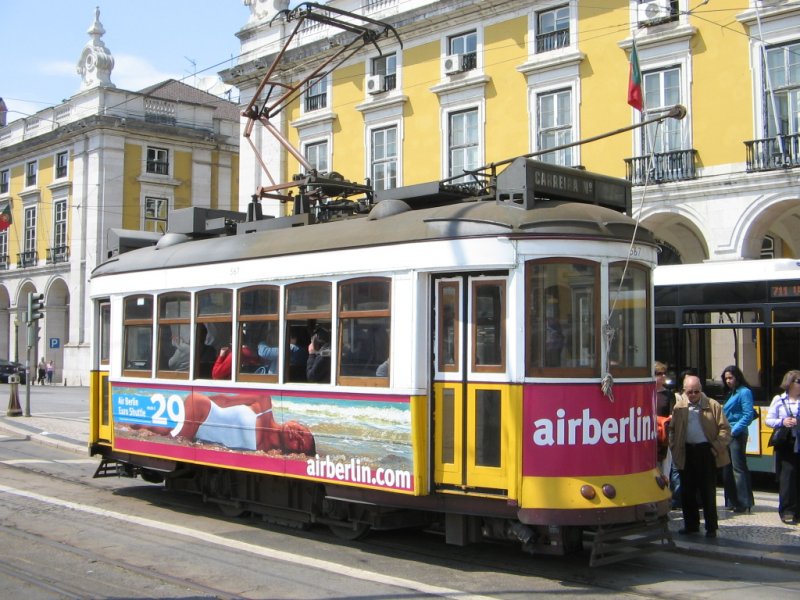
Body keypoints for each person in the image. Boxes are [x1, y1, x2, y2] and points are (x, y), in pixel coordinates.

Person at [135, 391, 316, 456]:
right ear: (294, 421)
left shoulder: (266, 453)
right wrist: (188, 406)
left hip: (199, 431)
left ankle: (129, 423)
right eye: (302, 431)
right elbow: (225, 401)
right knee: (161, 436)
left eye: (299, 443)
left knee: (153, 430)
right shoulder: (264, 403)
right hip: (202, 410)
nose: (296, 435)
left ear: (294, 453)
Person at [669, 374, 731, 538]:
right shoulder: (679, 407)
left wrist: (715, 447)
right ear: (684, 391)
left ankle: (711, 527)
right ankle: (691, 525)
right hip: (686, 450)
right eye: (690, 392)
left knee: (707, 491)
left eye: (696, 392)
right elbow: (672, 429)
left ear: (701, 390)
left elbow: (725, 429)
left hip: (706, 451)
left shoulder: (712, 405)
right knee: (687, 491)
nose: (693, 395)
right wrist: (674, 447)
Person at [766, 370, 800, 524]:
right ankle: (787, 510)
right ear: (790, 383)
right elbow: (769, 420)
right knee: (787, 477)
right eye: (799, 381)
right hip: (787, 442)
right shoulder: (779, 400)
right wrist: (783, 422)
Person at [720, 365, 755, 513]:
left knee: (738, 468)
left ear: (737, 377)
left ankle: (743, 501)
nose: (728, 381)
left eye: (730, 377)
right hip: (727, 432)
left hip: (736, 433)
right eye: (726, 378)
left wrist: (734, 431)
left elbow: (748, 414)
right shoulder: (731, 393)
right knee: (727, 468)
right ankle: (731, 500)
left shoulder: (744, 392)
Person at [654, 361, 674, 477]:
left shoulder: (668, 394)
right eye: (659, 373)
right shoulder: (647, 392)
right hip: (648, 435)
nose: (663, 376)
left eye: (664, 373)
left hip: (663, 435)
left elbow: (672, 415)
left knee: (665, 468)